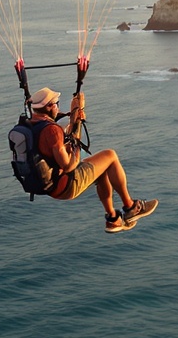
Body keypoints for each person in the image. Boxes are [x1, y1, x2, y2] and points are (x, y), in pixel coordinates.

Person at [27, 86, 158, 233]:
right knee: (110, 155)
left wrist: (75, 115)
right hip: (66, 185)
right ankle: (131, 207)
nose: (58, 107)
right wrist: (77, 121)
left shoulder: (31, 124)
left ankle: (113, 219)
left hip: (49, 185)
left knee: (102, 168)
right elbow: (69, 165)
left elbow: (54, 150)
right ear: (49, 106)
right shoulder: (51, 130)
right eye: (56, 104)